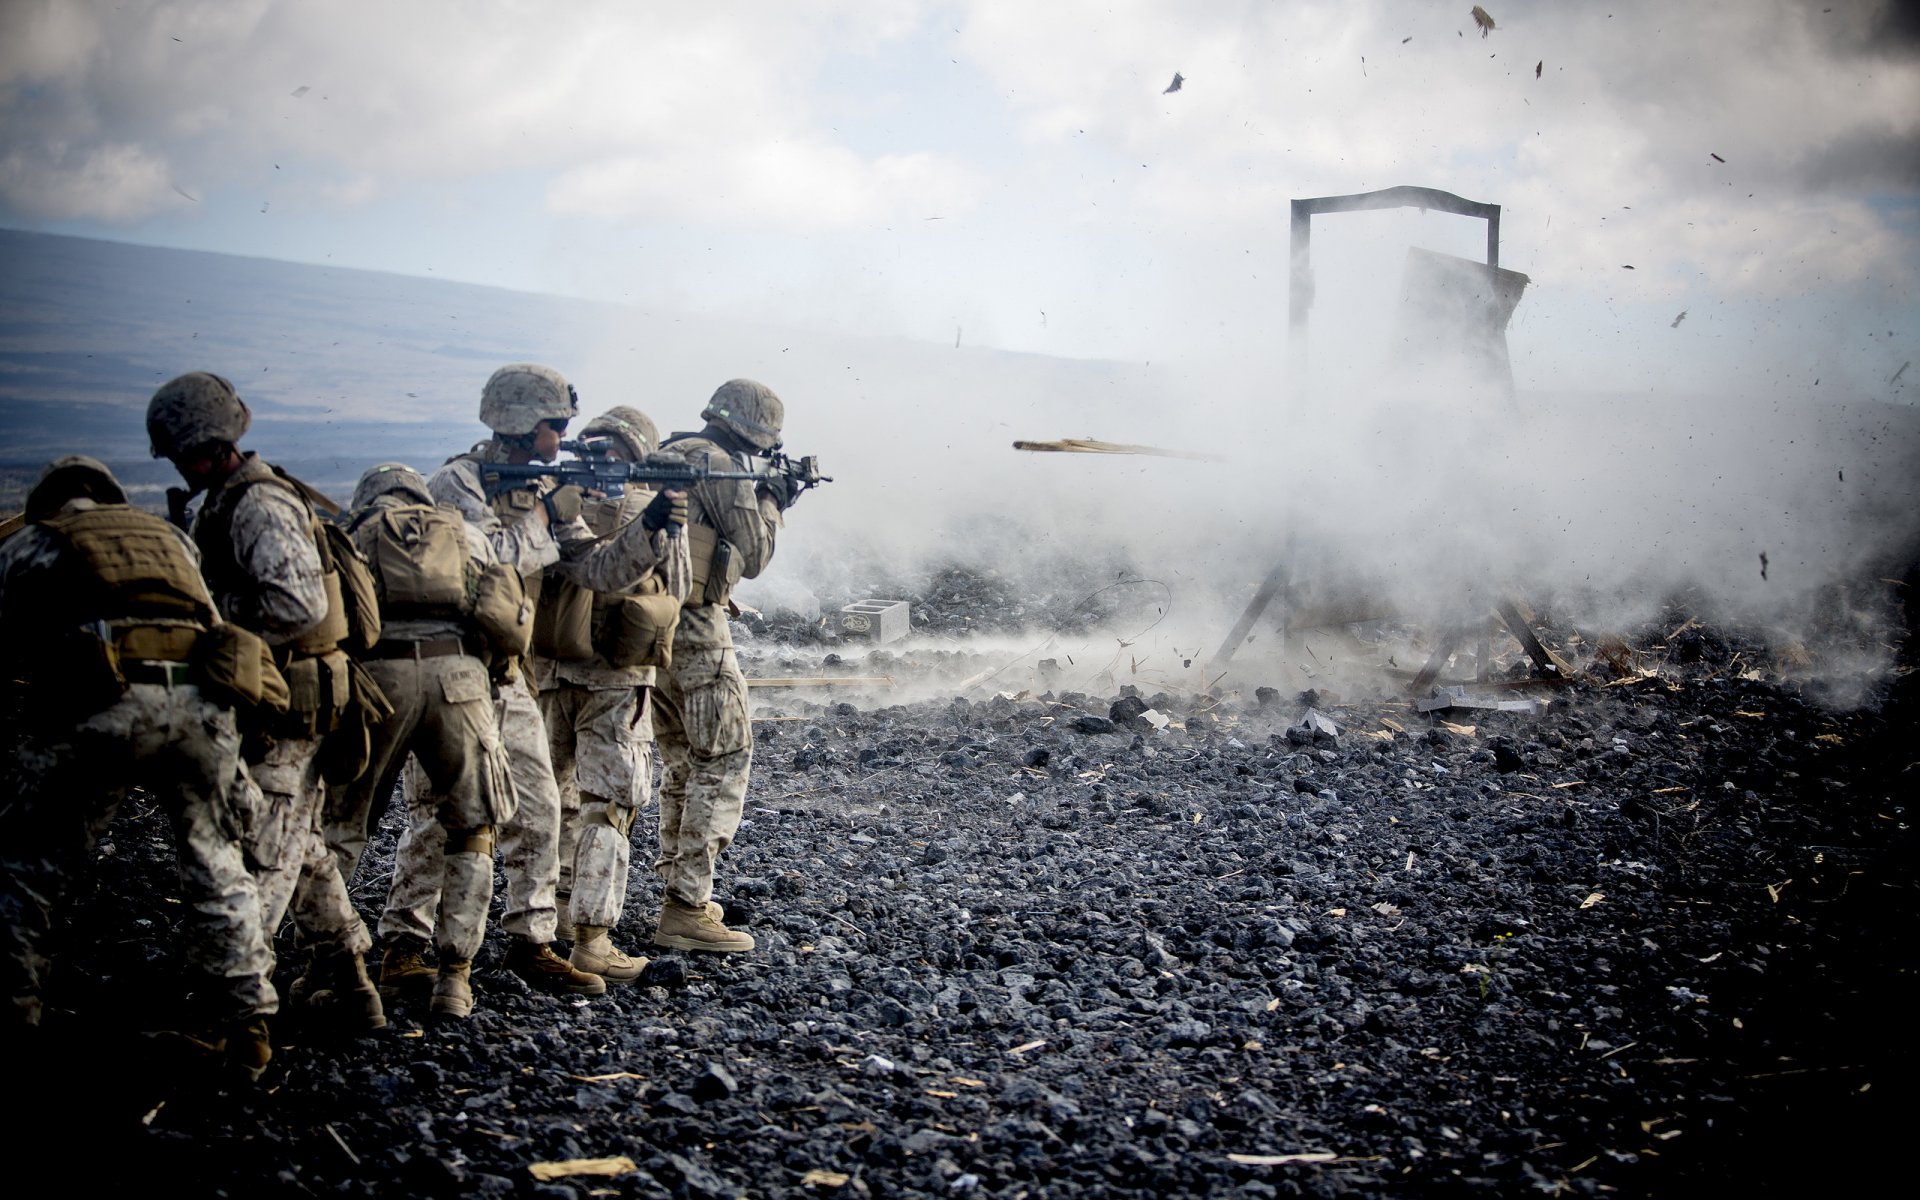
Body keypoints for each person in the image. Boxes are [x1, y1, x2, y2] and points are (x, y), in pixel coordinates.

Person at [379, 364, 688, 995]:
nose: (560, 439)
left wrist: (651, 527)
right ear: (519, 423)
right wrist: (544, 516)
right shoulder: (457, 483)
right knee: (440, 813)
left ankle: (531, 939)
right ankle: (405, 945)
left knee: (543, 808)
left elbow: (594, 570)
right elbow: (477, 565)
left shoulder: (544, 484)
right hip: (449, 669)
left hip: (506, 671)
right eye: (553, 426)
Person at [0, 457, 277, 1078]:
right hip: (199, 709)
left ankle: (17, 1013)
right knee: (215, 858)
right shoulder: (170, 538)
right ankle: (248, 1025)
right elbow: (212, 622)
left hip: (101, 705)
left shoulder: (38, 542)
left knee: (29, 862)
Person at [145, 371, 385, 1032]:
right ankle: (352, 983)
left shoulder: (258, 503)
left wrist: (212, 625)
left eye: (185, 455)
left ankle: (235, 1014)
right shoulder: (229, 497)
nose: (181, 468)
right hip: (277, 697)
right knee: (303, 850)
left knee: (264, 854)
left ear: (213, 446)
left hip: (291, 704)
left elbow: (296, 605)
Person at [322, 464, 520, 1019]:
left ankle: (334, 967)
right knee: (473, 828)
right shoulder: (466, 532)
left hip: (378, 681)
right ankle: (455, 978)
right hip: (459, 680)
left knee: (341, 824)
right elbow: (504, 617)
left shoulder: (352, 534)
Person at [531, 407, 690, 982]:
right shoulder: (644, 511)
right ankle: (592, 937)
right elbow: (679, 586)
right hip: (619, 680)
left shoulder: (548, 500)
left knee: (548, 798)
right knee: (611, 805)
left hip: (547, 669)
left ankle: (537, 925)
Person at [652, 379, 798, 953]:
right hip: (694, 626)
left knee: (682, 757)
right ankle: (685, 907)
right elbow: (755, 555)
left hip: (648, 623)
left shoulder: (666, 453)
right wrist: (773, 501)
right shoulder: (723, 467)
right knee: (727, 753)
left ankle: (676, 887)